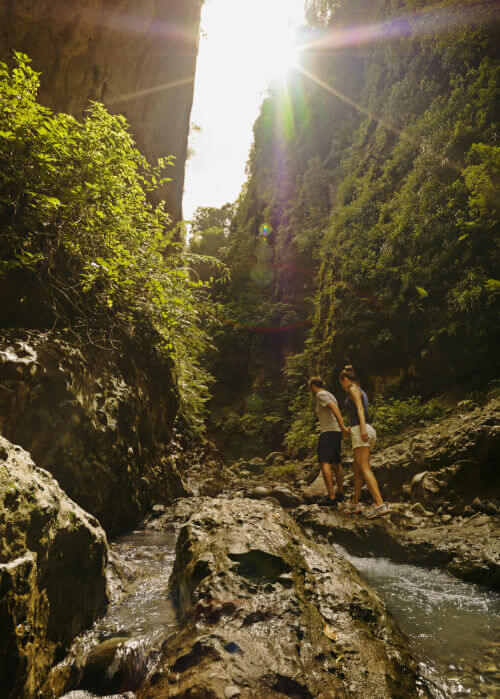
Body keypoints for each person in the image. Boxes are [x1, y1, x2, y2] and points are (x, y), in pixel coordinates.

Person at [339, 365, 389, 518]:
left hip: (362, 431)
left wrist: (361, 429)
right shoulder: (360, 390)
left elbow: (360, 409)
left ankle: (380, 504)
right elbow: (358, 412)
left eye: (342, 383)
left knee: (364, 467)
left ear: (345, 379)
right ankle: (355, 503)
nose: (342, 387)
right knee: (357, 468)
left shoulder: (353, 390)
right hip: (364, 429)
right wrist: (353, 427)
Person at [309, 376, 350, 506]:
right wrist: (341, 428)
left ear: (313, 386)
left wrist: (343, 426)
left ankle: (331, 497)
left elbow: (334, 409)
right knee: (336, 463)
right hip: (335, 432)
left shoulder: (320, 395)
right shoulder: (330, 394)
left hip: (329, 433)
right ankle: (340, 494)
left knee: (324, 462)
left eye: (310, 387)